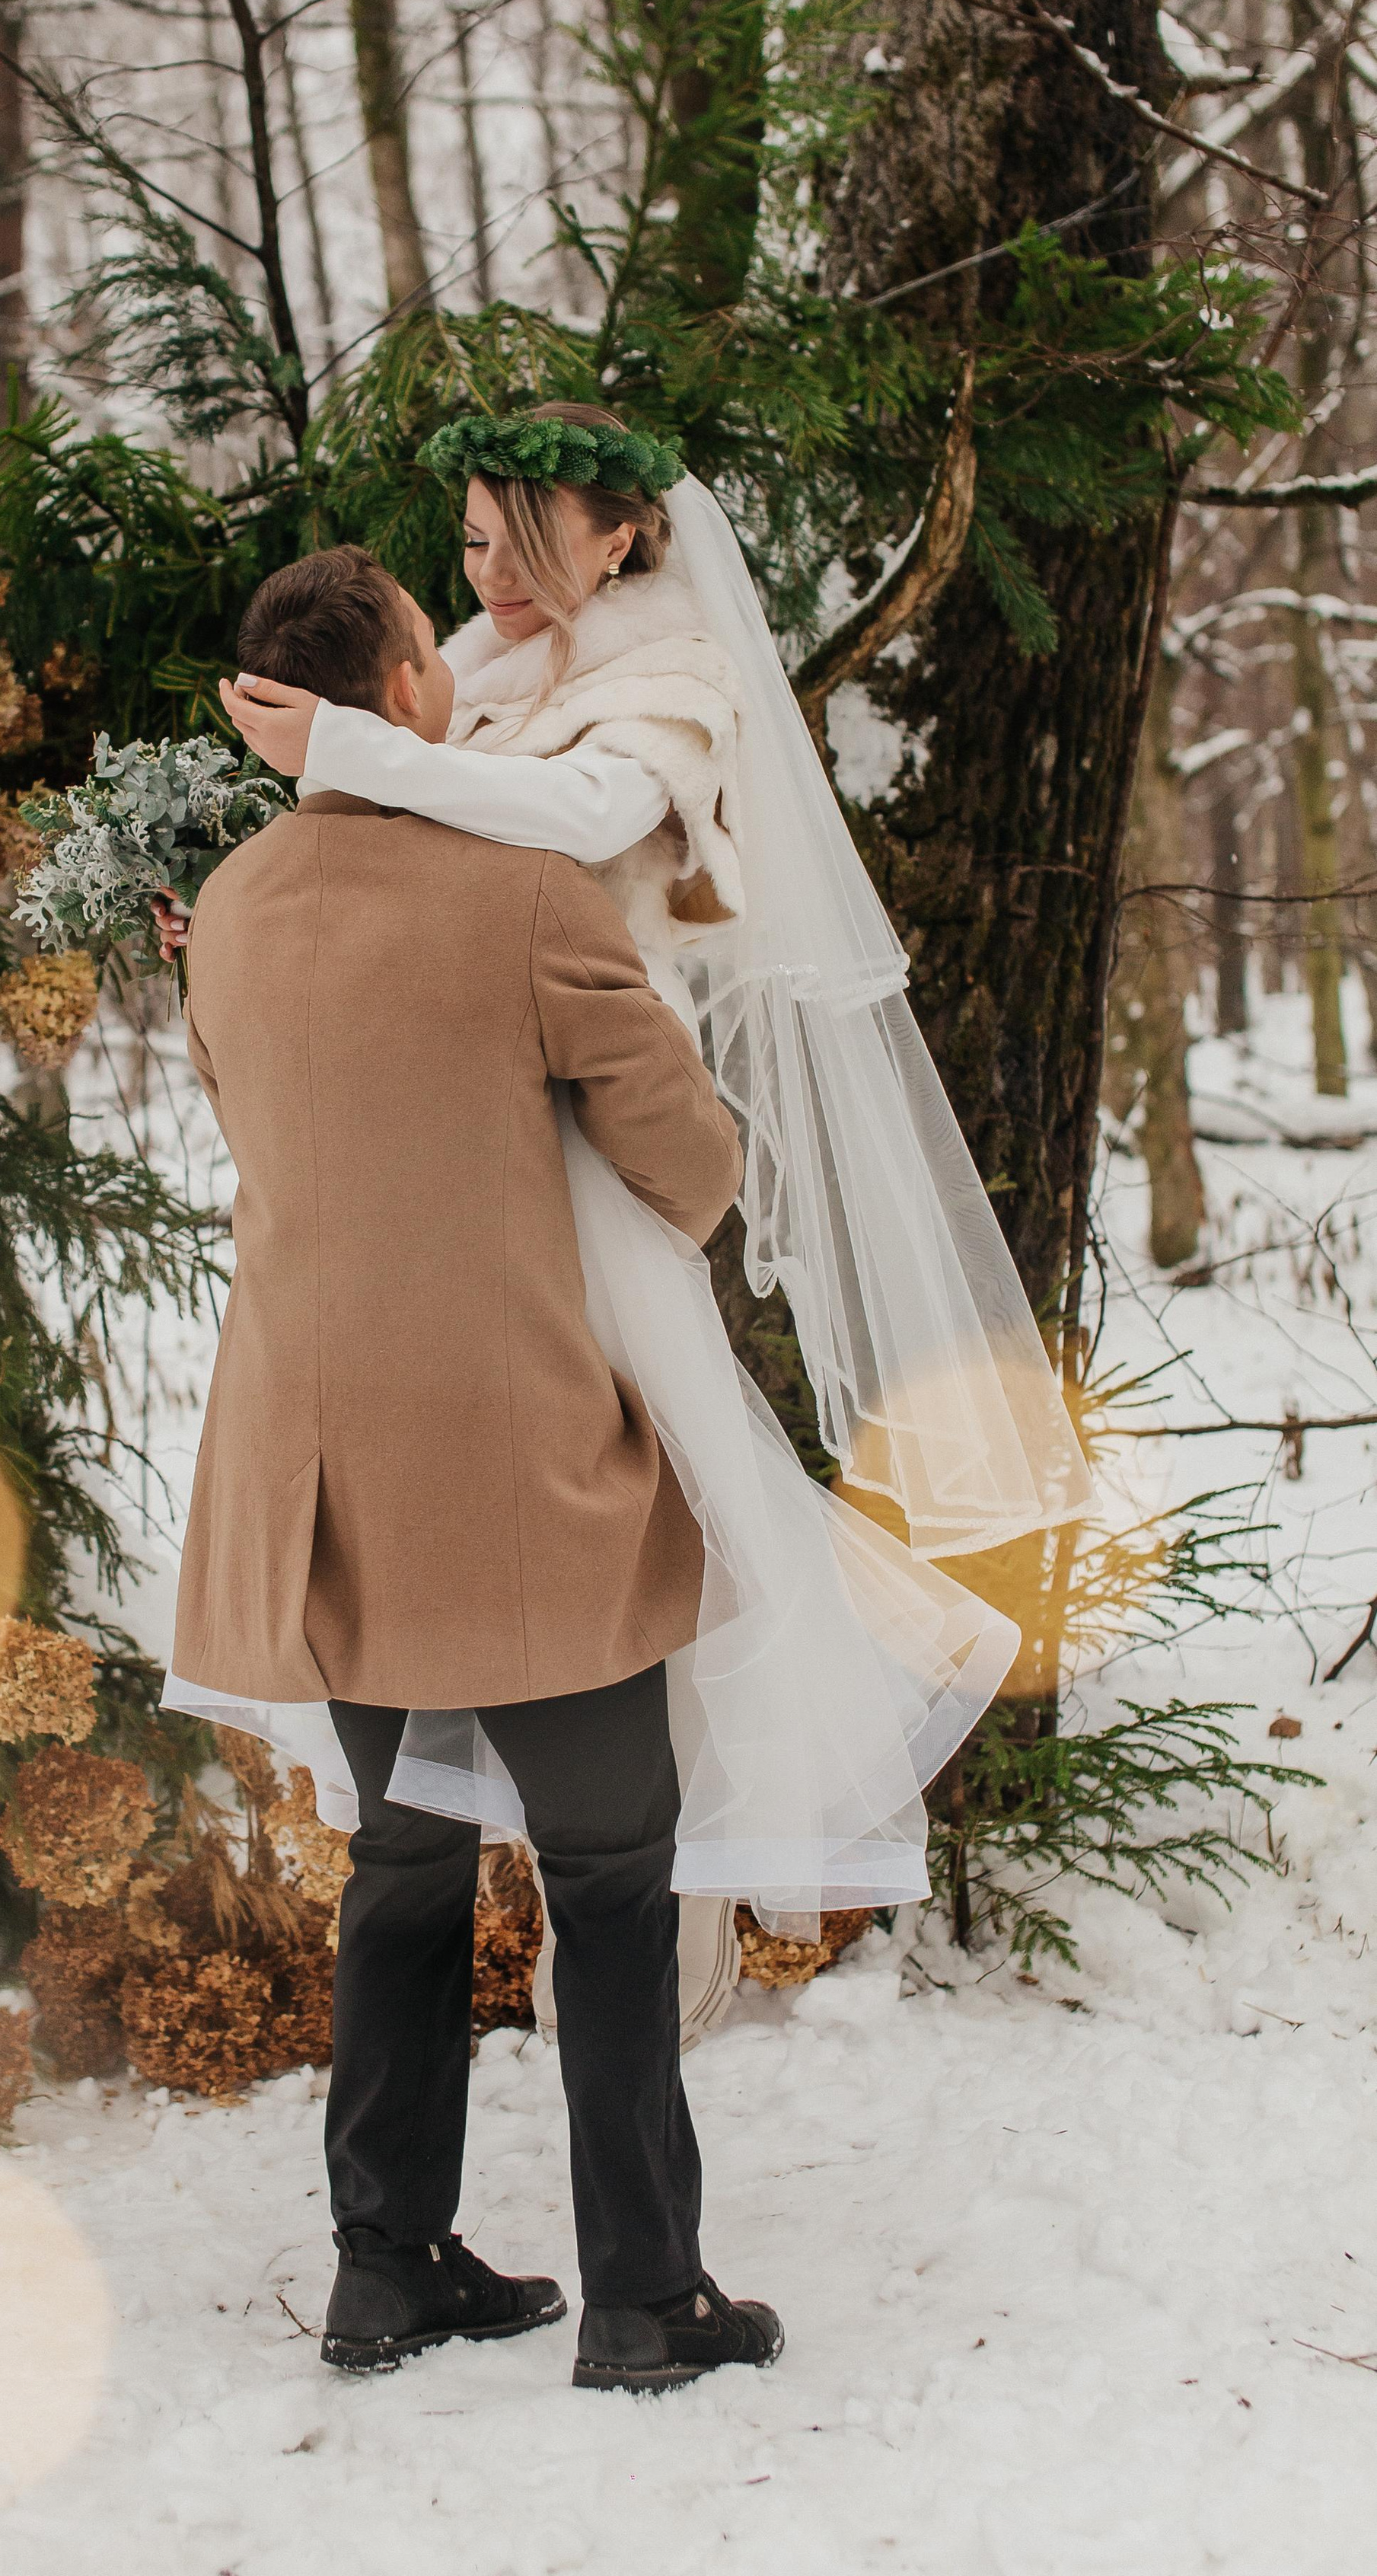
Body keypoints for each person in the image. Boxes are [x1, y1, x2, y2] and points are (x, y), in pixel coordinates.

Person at [199, 405, 1090, 1984]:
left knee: (640, 1537)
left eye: (521, 541)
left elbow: (577, 824)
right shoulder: (463, 665)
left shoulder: (669, 683)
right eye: (468, 541)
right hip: (460, 1146)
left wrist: (344, 748)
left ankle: (652, 1931)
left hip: (596, 1140)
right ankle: (531, 1887)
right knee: (503, 1531)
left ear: (617, 537)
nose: (486, 574)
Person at [170, 540, 786, 2392]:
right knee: (608, 1871)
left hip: (319, 1469)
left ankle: (386, 2267)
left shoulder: (236, 901)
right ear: (403, 691)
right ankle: (643, 2299)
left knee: (406, 1863)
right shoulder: (517, 893)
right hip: (521, 1464)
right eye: (433, 646)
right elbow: (682, 1153)